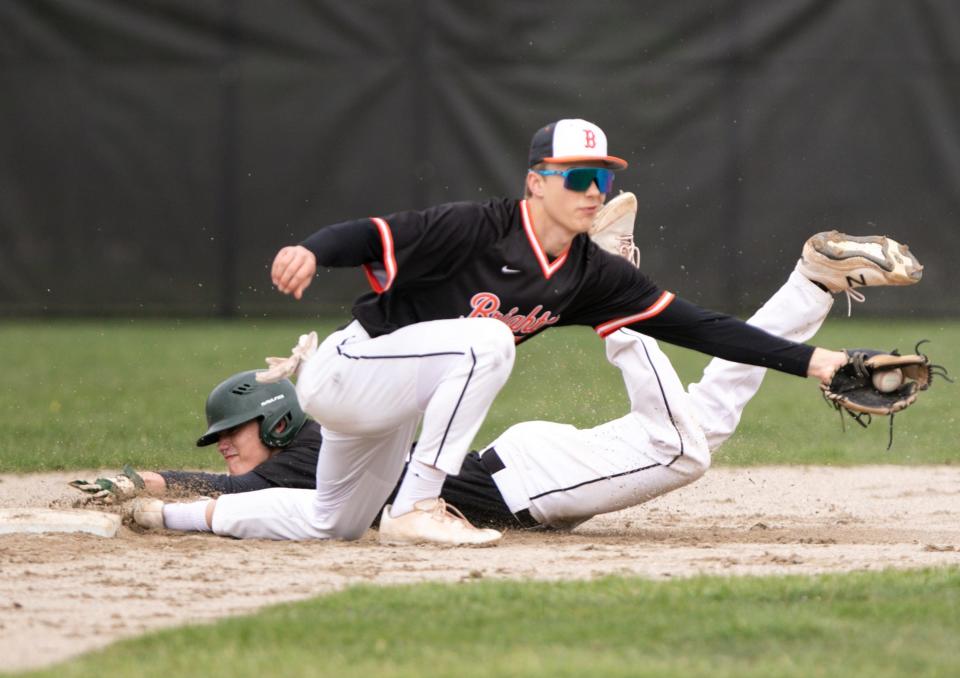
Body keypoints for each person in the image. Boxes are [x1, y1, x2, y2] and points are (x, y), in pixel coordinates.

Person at [129, 185, 923, 537]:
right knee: (702, 426)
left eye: (235, 432)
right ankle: (810, 285)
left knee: (687, 447)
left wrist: (154, 486)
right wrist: (158, 499)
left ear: (275, 419)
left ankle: (626, 320)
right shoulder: (333, 440)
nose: (231, 449)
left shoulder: (309, 444)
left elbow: (244, 486)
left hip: (527, 486)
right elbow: (249, 493)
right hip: (528, 469)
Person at [70, 372, 322, 500]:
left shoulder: (313, 449)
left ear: (278, 425)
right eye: (219, 436)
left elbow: (236, 491)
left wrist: (150, 482)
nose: (222, 446)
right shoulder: (307, 442)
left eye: (232, 431)